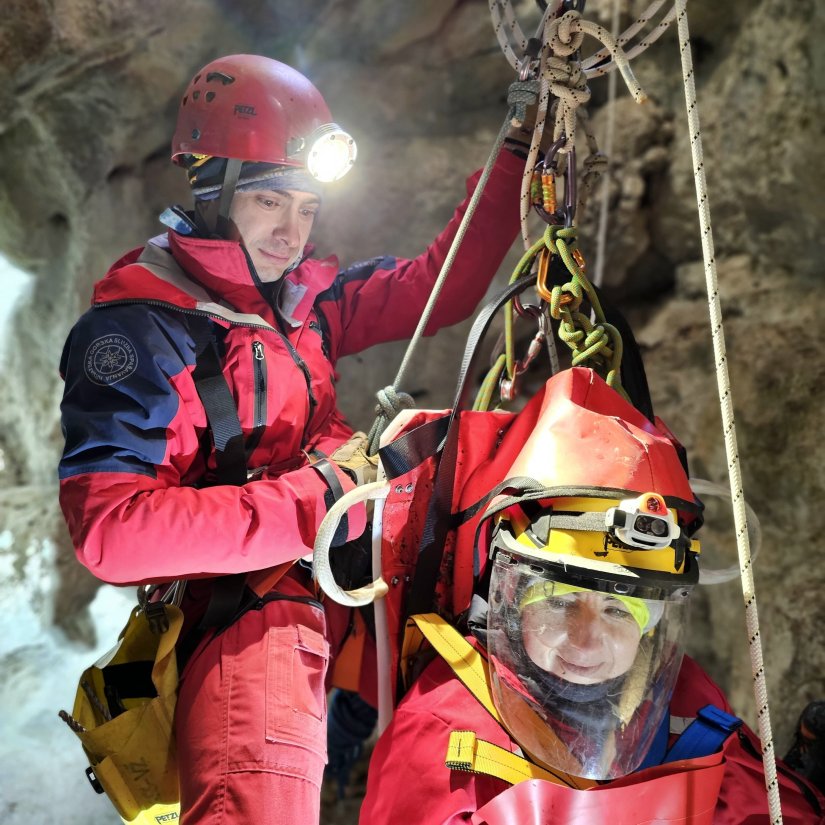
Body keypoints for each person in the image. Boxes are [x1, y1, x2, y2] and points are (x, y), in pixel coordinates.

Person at [57, 54, 531, 823]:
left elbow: (434, 287)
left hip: (343, 573)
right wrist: (321, 497)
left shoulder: (301, 301)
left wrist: (516, 153)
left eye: (306, 208)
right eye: (269, 201)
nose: (291, 232)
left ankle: (347, 757)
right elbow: (113, 533)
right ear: (210, 194)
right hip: (249, 612)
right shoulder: (140, 333)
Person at [360, 367, 825, 824]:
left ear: (653, 624)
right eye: (560, 603)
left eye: (619, 608)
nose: (586, 640)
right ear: (507, 601)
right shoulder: (442, 736)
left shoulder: (678, 704)